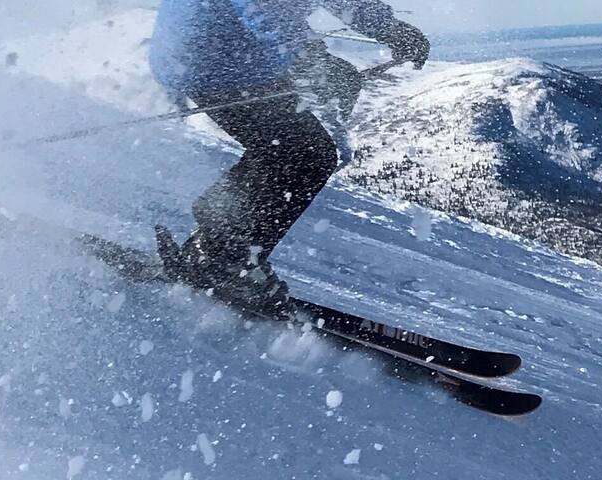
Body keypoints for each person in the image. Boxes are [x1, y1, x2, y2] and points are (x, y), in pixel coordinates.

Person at [147, 0, 430, 312]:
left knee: (283, 149)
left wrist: (390, 30)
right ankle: (225, 261)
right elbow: (263, 10)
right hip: (217, 58)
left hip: (221, 53)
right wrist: (316, 62)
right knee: (308, 155)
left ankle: (216, 241)